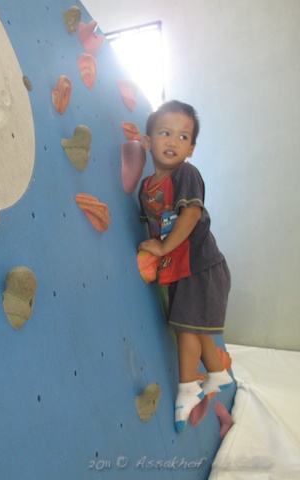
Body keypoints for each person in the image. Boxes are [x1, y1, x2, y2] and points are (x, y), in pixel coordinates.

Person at [137, 100, 234, 433]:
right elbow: (153, 226)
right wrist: (156, 253)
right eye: (165, 133)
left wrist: (163, 247)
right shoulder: (146, 189)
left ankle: (188, 389)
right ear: (148, 141)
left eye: (182, 137)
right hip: (184, 270)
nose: (172, 142)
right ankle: (216, 373)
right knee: (196, 327)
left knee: (186, 328)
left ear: (191, 149)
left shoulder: (186, 174)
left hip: (202, 267)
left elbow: (190, 215)